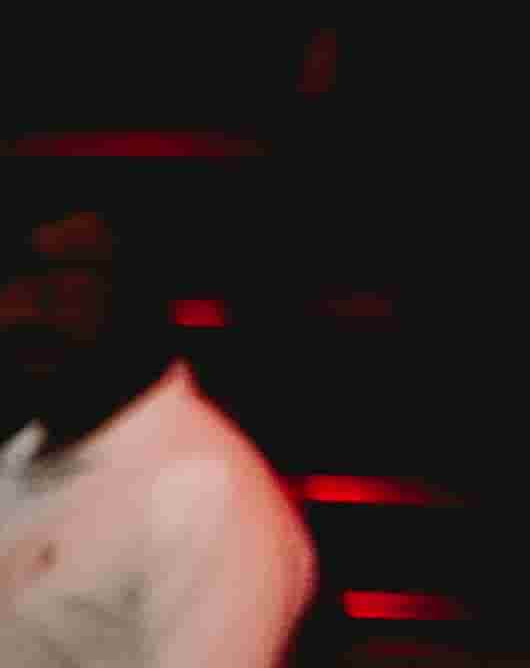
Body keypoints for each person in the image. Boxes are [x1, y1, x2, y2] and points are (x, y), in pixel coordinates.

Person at [0, 203, 307, 668]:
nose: (20, 311)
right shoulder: (19, 463)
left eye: (61, 281)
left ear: (138, 294)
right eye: (13, 278)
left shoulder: (204, 490)